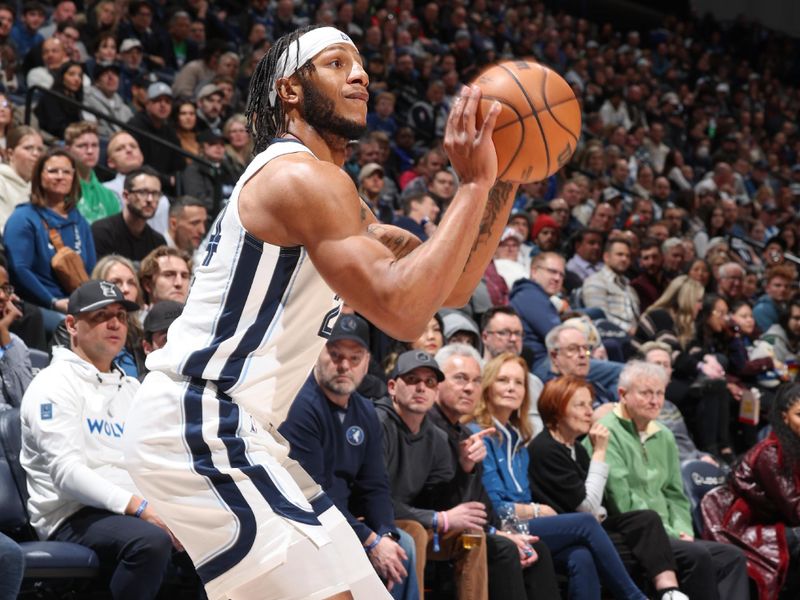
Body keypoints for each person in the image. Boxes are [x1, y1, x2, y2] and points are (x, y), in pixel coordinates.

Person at [124, 24, 517, 600]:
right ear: (289, 90)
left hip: (244, 430)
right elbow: (407, 318)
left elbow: (450, 286)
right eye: (336, 63)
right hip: (200, 416)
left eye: (360, 64)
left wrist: (502, 176)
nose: (359, 74)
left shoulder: (337, 196)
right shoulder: (297, 177)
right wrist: (474, 184)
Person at [20, 280, 178, 599]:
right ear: (71, 324)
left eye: (120, 314)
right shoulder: (52, 384)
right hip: (71, 513)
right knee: (150, 541)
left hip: (131, 507)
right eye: (100, 315)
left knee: (214, 536)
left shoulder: (130, 387)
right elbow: (66, 474)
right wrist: (141, 507)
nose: (115, 323)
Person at [468, 353, 648, 600]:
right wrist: (537, 511)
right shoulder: (479, 435)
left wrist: (534, 510)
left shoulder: (518, 438)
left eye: (518, 382)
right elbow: (497, 510)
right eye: (503, 380)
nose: (511, 387)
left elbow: (523, 496)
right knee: (585, 523)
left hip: (520, 522)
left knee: (580, 556)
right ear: (488, 386)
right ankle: (635, 597)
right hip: (498, 528)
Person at [279, 315, 417, 599]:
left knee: (402, 546)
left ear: (367, 362)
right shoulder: (300, 405)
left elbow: (375, 484)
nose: (344, 366)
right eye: (336, 355)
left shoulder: (365, 410)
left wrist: (386, 534)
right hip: (306, 522)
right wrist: (369, 539)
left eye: (355, 358)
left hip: (344, 521)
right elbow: (310, 493)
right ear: (318, 353)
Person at [587, 361, 749, 600]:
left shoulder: (664, 435)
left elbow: (676, 494)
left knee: (732, 557)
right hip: (634, 533)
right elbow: (620, 499)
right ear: (623, 395)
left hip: (670, 533)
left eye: (659, 393)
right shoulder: (606, 432)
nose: (655, 401)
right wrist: (670, 533)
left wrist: (683, 529)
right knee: (697, 556)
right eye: (645, 393)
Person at [530, 375, 690, 599]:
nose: (589, 412)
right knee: (591, 551)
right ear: (556, 409)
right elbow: (586, 507)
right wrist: (600, 453)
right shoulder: (546, 448)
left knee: (646, 519)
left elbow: (597, 507)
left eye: (589, 404)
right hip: (566, 528)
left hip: (590, 524)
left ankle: (670, 591)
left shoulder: (575, 447)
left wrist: (599, 512)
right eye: (580, 405)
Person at [431, 344, 560, 600]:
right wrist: (501, 531)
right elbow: (436, 497)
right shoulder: (441, 430)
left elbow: (480, 503)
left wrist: (503, 532)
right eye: (460, 379)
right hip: (440, 530)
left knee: (536, 548)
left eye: (475, 380)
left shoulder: (468, 434)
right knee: (506, 548)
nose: (469, 387)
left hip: (480, 527)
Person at [702, 382, 800, 598]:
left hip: (777, 523)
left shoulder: (795, 448)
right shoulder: (771, 453)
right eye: (799, 415)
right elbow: (796, 510)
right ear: (784, 417)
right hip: (743, 530)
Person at [3, 148, 96, 334]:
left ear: (74, 177)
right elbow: (19, 268)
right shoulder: (23, 217)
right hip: (39, 306)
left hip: (77, 305)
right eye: (53, 171)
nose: (60, 176)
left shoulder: (79, 220)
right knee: (78, 331)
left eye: (66, 172)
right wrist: (53, 302)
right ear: (39, 177)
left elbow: (92, 268)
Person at [91, 166, 167, 262]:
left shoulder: (158, 242)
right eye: (143, 192)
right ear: (126, 196)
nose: (150, 199)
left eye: (155, 194)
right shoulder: (102, 231)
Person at [65, 121, 121, 224]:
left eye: (95, 145)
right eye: (82, 146)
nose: (90, 151)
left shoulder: (109, 196)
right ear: (68, 150)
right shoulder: (60, 189)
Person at [582, 238, 640, 334]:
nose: (624, 259)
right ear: (606, 257)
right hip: (610, 336)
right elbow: (599, 316)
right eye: (619, 254)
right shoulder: (595, 281)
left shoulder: (629, 287)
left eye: (628, 256)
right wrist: (629, 329)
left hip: (635, 337)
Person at [0, 264, 32, 410]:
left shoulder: (15, 343)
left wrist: (4, 334)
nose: (1, 296)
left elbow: (27, 404)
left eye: (5, 289)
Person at [0, 126, 44, 233]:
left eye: (40, 149)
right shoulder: (2, 182)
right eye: (28, 148)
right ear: (10, 154)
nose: (36, 154)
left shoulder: (41, 185)